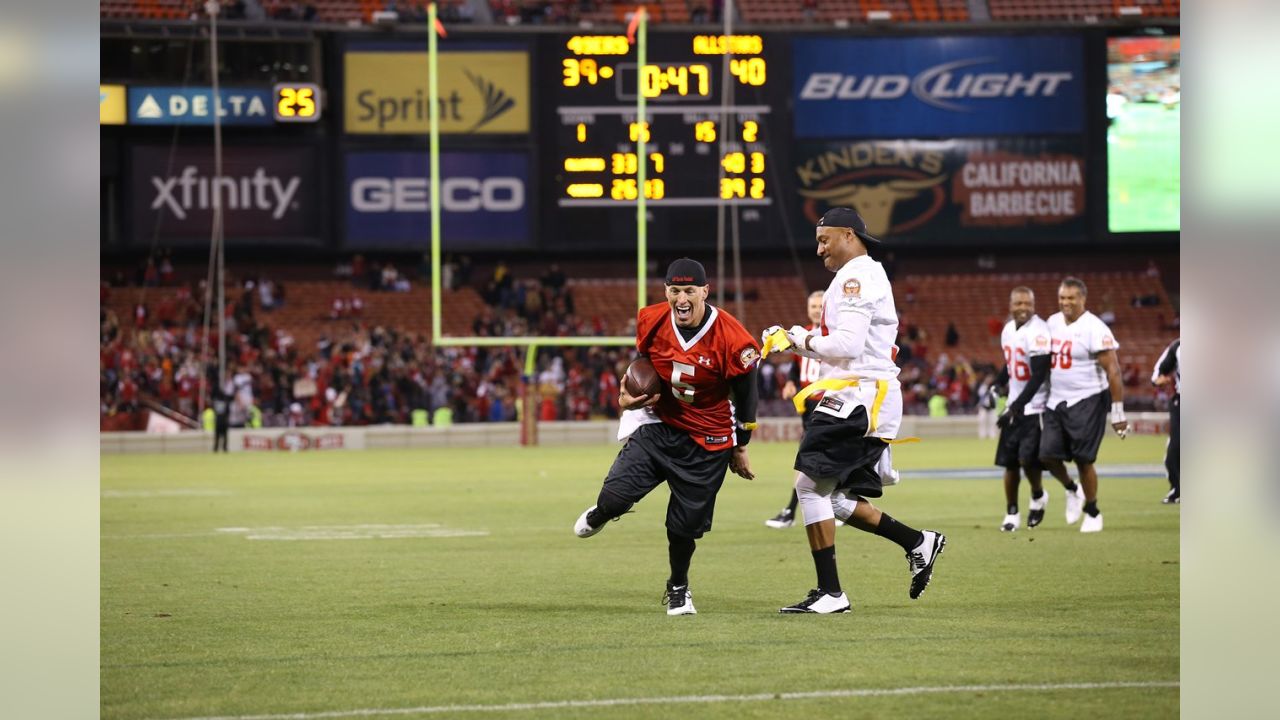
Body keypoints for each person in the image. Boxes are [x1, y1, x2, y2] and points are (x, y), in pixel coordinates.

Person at [764, 207, 945, 614]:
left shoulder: (856, 275)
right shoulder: (860, 273)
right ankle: (918, 542)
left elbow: (846, 345)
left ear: (848, 235)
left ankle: (831, 593)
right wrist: (795, 341)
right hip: (861, 395)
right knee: (838, 499)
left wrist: (796, 338)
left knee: (809, 488)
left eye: (824, 239)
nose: (818, 249)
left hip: (859, 396)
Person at [573, 258, 760, 616]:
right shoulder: (651, 319)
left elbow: (747, 394)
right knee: (613, 497)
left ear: (706, 291)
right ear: (666, 292)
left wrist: (742, 444)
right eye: (675, 290)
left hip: (707, 439)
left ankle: (678, 586)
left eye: (690, 290)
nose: (682, 298)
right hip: (661, 425)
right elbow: (640, 367)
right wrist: (627, 397)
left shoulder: (733, 337)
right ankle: (604, 512)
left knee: (683, 527)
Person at [1040, 277, 1130, 533]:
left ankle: (1092, 510)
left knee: (1083, 459)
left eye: (1071, 298)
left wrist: (1118, 411)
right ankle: (1072, 489)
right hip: (1055, 399)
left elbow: (1113, 371)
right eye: (1062, 298)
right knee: (1046, 455)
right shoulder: (1052, 322)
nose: (1066, 302)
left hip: (1087, 398)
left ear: (1083, 299)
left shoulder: (1095, 327)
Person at [992, 287, 1060, 532]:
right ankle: (1012, 511)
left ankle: (1038, 494)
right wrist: (996, 385)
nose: (1022, 307)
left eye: (1027, 303)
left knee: (1027, 459)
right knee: (1009, 463)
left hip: (1036, 406)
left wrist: (1016, 406)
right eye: (1018, 303)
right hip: (1015, 403)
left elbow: (1039, 374)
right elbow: (1010, 364)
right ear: (1011, 305)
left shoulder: (1039, 331)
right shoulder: (1009, 329)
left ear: (1034, 304)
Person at [764, 291, 824, 529]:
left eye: (821, 305)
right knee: (818, 458)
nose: (817, 309)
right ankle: (845, 504)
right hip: (808, 407)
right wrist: (790, 382)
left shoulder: (836, 334)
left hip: (828, 404)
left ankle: (790, 511)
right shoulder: (802, 333)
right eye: (813, 305)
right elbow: (796, 365)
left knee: (806, 458)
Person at [1152, 338, 1180, 504]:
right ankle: (1177, 489)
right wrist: (1158, 380)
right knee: (1175, 448)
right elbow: (1158, 372)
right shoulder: (1177, 347)